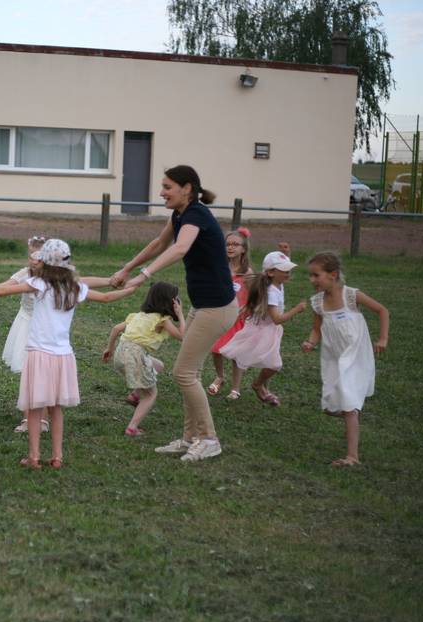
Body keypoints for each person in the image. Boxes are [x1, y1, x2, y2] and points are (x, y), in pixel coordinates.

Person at [111, 165, 238, 462]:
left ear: (187, 188)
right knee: (187, 373)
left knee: (183, 373)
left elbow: (181, 248)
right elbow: (160, 243)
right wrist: (127, 268)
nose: (161, 192)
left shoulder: (196, 214)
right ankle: (189, 438)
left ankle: (208, 439)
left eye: (168, 187)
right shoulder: (180, 215)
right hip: (202, 306)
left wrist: (143, 276)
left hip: (217, 309)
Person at [0, 238, 136, 469]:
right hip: (63, 356)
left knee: (35, 408)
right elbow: (107, 297)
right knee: (56, 408)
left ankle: (34, 457)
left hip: (39, 354)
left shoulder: (39, 284)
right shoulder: (75, 287)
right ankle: (57, 457)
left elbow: (2, 290)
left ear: (44, 262)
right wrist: (131, 289)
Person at [302, 252, 389, 466]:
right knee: (331, 405)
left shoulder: (351, 295)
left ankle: (352, 456)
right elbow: (317, 329)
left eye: (316, 275)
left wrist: (383, 339)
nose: (312, 280)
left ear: (333, 275)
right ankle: (353, 414)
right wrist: (311, 342)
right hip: (333, 355)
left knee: (348, 404)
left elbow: (382, 310)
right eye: (310, 276)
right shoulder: (317, 303)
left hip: (355, 354)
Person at [219, 251, 307, 406]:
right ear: (271, 273)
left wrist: (286, 253)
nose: (288, 274)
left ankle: (263, 388)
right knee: (274, 365)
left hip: (270, 330)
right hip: (264, 330)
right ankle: (258, 384)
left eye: (288, 270)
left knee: (269, 362)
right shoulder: (272, 291)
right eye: (284, 271)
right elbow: (277, 319)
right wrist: (297, 309)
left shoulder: (277, 284)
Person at [102, 281, 185, 437]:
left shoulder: (138, 315)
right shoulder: (162, 319)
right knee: (150, 394)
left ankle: (134, 395)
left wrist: (109, 348)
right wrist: (180, 315)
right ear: (169, 301)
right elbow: (182, 336)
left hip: (122, 353)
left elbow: (116, 329)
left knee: (158, 365)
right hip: (136, 356)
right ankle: (132, 428)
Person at [2, 235, 51, 434]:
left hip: (46, 328)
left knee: (44, 374)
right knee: (28, 372)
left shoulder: (55, 278)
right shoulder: (24, 274)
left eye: (37, 257)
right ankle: (27, 418)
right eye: (30, 256)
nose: (33, 260)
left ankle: (44, 419)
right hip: (26, 324)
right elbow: (5, 286)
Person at [208, 227, 254, 401]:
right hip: (220, 314)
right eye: (228, 244)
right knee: (216, 349)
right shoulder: (220, 268)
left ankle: (236, 388)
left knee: (236, 354)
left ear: (243, 248)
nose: (231, 247)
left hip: (238, 318)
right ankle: (220, 376)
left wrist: (247, 308)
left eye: (236, 244)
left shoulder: (247, 272)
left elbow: (253, 296)